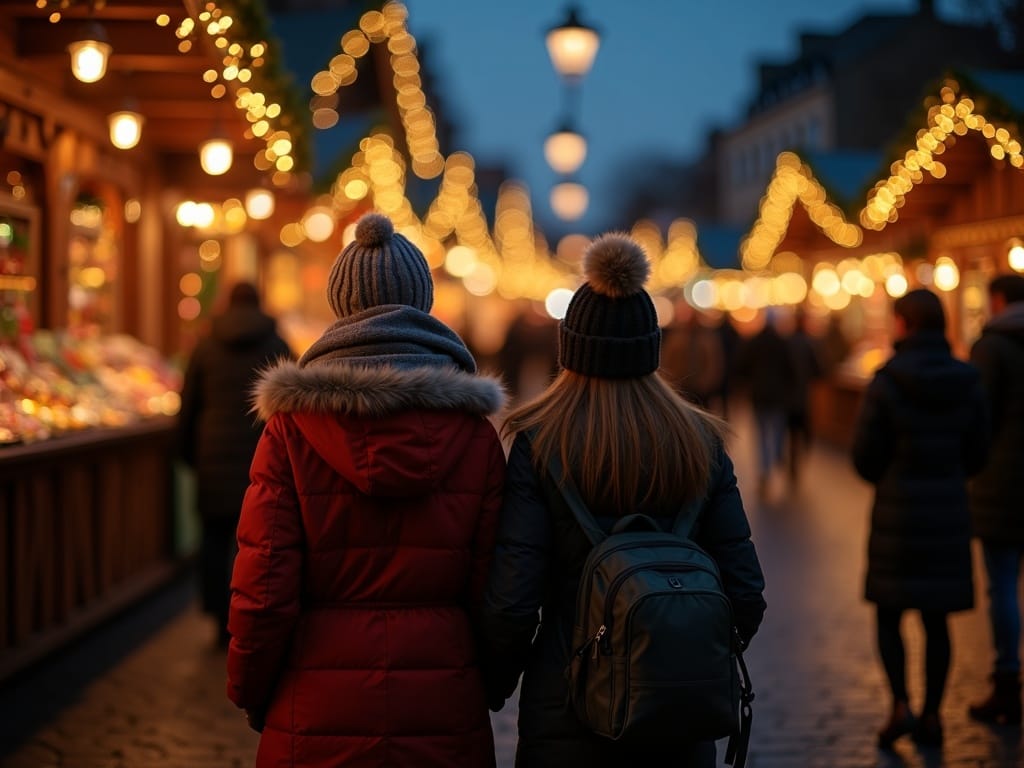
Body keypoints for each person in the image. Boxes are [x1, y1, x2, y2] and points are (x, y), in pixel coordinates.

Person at [225, 213, 507, 767]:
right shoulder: (474, 436)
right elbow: (496, 590)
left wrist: (251, 690)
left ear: (341, 303)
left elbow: (264, 588)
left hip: (316, 705)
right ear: (422, 301)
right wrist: (484, 684)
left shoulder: (291, 430)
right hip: (441, 703)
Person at [481, 232, 766, 768]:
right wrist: (679, 657)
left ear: (571, 348)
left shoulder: (539, 441)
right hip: (676, 716)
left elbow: (514, 602)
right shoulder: (700, 441)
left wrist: (494, 686)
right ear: (650, 347)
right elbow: (745, 590)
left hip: (566, 708)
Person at [851, 288, 989, 749]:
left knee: (889, 613)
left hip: (898, 514)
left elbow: (865, 456)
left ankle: (900, 705)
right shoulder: (967, 380)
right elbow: (978, 452)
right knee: (937, 618)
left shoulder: (887, 381)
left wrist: (889, 474)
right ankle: (933, 714)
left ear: (904, 325)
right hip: (948, 510)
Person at [177, 280, 293, 647]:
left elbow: (188, 407)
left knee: (212, 541)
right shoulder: (276, 346)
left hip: (213, 460)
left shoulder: (206, 346)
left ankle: (216, 617)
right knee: (258, 544)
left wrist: (189, 456)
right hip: (262, 462)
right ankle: (253, 618)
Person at [967, 273, 1024, 726]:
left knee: (1003, 584)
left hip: (1002, 484)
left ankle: (1008, 680)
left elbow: (976, 418)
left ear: (998, 300)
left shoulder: (991, 347)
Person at [734, 308, 799, 498]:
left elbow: (741, 365)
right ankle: (778, 455)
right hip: (778, 396)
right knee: (778, 429)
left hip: (759, 395)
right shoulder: (782, 342)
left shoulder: (754, 342)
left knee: (762, 434)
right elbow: (791, 368)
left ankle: (764, 469)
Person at [784, 308, 823, 486]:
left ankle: (791, 461)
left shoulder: (786, 342)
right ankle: (798, 460)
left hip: (788, 396)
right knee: (803, 430)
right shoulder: (809, 343)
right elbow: (819, 369)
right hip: (803, 395)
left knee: (791, 431)